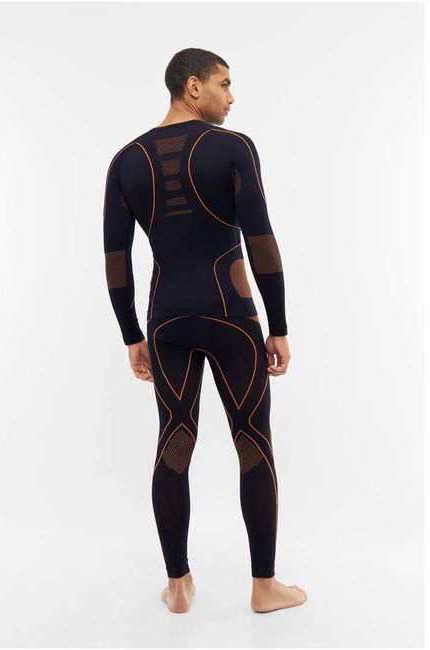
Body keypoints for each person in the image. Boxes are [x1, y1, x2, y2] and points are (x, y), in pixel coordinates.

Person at [102, 48, 307, 614]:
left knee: (174, 441)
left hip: (166, 320)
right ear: (193, 86)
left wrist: (132, 335)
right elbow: (261, 242)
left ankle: (177, 585)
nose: (231, 97)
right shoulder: (234, 148)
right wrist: (278, 325)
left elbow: (115, 262)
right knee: (253, 441)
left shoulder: (126, 161)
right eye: (225, 84)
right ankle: (264, 587)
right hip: (232, 318)